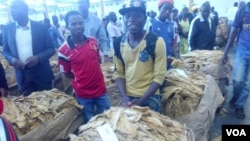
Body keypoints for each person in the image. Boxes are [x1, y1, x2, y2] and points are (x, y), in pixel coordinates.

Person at [114, 0, 166, 112]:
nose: (132, 19)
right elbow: (119, 72)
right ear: (124, 19)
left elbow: (159, 76)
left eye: (137, 16)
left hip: (150, 97)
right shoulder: (118, 43)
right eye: (128, 16)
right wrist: (124, 97)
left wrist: (141, 101)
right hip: (128, 97)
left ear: (145, 19)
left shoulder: (156, 42)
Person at [58, 11, 110, 122]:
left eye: (80, 23)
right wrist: (82, 77)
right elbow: (67, 73)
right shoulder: (63, 50)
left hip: (100, 90)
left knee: (108, 116)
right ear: (67, 26)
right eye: (74, 24)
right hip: (83, 94)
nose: (78, 26)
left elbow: (98, 61)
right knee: (89, 121)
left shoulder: (94, 41)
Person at [2, 0, 55, 96]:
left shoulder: (40, 27)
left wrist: (38, 58)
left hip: (42, 73)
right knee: (28, 106)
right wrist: (12, 59)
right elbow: (5, 50)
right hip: (23, 76)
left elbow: (51, 49)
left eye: (15, 8)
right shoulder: (7, 29)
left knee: (48, 103)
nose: (12, 11)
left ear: (25, 10)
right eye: (11, 8)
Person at [221, 2, 250, 119]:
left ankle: (239, 105)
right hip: (242, 51)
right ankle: (236, 96)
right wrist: (225, 52)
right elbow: (233, 31)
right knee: (238, 80)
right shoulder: (243, 11)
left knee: (248, 83)